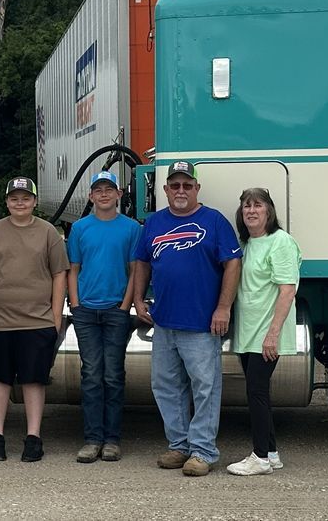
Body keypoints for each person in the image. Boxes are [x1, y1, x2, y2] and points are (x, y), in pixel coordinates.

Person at [129, 160, 241, 478]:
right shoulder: (154, 223)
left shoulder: (214, 221)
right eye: (174, 185)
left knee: (205, 387)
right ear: (165, 190)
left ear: (196, 189)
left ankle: (203, 451)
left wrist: (223, 308)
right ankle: (179, 446)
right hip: (164, 321)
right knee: (165, 386)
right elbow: (141, 261)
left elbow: (233, 264)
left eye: (187, 185)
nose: (180, 190)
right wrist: (138, 299)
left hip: (201, 323)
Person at [0, 177, 68, 463]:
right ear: (7, 201)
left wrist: (56, 315)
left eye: (26, 198)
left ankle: (33, 437)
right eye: (15, 198)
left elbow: (59, 274)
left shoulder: (49, 233)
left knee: (33, 380)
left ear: (35, 201)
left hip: (37, 321)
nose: (20, 202)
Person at [65, 171, 141, 463]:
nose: (104, 194)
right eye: (99, 190)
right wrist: (75, 303)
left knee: (113, 375)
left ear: (119, 194)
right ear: (90, 196)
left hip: (115, 311)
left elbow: (135, 270)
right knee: (91, 375)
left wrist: (124, 306)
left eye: (110, 189)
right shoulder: (80, 228)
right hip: (86, 311)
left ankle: (112, 440)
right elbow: (74, 268)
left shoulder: (132, 228)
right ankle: (92, 439)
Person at [226, 187, 301, 476]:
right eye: (247, 206)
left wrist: (273, 335)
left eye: (258, 205)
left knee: (256, 391)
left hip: (266, 335)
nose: (251, 211)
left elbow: (287, 290)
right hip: (249, 333)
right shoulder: (248, 244)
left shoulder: (280, 242)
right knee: (260, 392)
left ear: (269, 211)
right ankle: (271, 453)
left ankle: (259, 457)